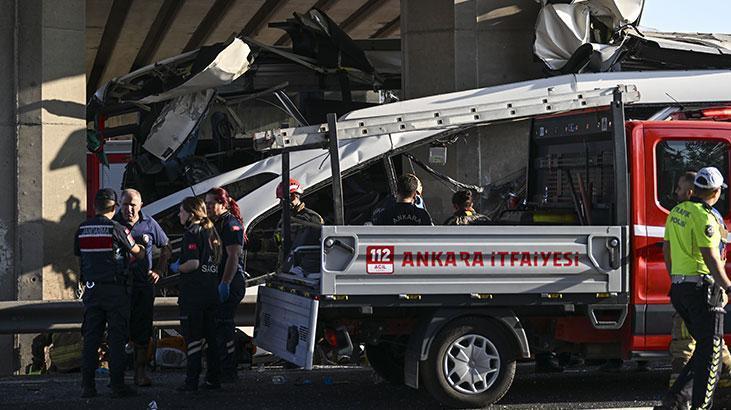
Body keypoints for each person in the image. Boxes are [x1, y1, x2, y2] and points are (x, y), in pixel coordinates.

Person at [658, 167, 731, 410]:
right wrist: (727, 286)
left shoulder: (676, 212)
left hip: (680, 288)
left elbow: (666, 251)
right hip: (703, 290)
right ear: (716, 191)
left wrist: (675, 279)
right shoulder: (706, 217)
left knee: (704, 349)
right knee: (711, 353)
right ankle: (701, 405)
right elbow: (710, 256)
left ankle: (674, 402)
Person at [74, 188, 146, 398]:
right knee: (116, 339)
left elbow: (80, 257)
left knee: (91, 339)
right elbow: (136, 252)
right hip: (115, 291)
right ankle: (117, 385)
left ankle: (87, 387)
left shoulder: (82, 229)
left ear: (95, 206)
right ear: (114, 207)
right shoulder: (116, 229)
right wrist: (143, 247)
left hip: (92, 291)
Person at [113, 188, 172, 386]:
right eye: (125, 204)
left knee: (142, 331)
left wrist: (159, 270)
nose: (129, 209)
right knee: (119, 330)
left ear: (141, 205)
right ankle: (118, 377)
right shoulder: (113, 223)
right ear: (119, 205)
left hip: (143, 286)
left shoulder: (149, 223)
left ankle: (140, 374)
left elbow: (166, 246)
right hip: (120, 287)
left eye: (133, 205)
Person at [173, 196, 222, 391]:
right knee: (210, 338)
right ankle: (213, 378)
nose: (179, 214)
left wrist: (177, 267)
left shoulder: (192, 232)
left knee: (193, 337)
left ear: (191, 214)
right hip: (211, 291)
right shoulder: (211, 231)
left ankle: (191, 381)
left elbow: (193, 264)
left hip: (194, 294)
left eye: (181, 211)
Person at [205, 187, 247, 382]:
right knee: (218, 327)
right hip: (220, 280)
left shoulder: (231, 224)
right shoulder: (216, 223)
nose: (207, 207)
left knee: (224, 326)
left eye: (211, 204)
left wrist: (225, 283)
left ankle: (229, 370)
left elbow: (233, 256)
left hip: (230, 281)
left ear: (222, 204)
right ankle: (223, 368)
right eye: (206, 204)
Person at [275, 178, 324, 273]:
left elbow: (314, 249)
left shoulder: (312, 218)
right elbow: (278, 242)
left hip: (302, 270)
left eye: (285, 199)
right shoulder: (284, 219)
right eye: (281, 199)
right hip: (285, 267)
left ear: (296, 196)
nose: (282, 203)